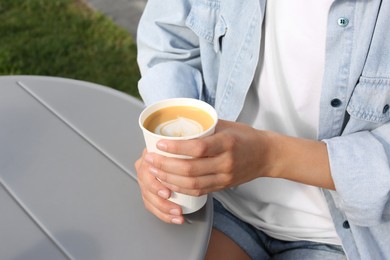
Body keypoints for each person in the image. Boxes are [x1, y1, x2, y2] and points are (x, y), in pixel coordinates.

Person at [134, 0, 390, 259]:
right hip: (220, 205)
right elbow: (167, 39)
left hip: (347, 237)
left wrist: (271, 156)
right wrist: (171, 159)